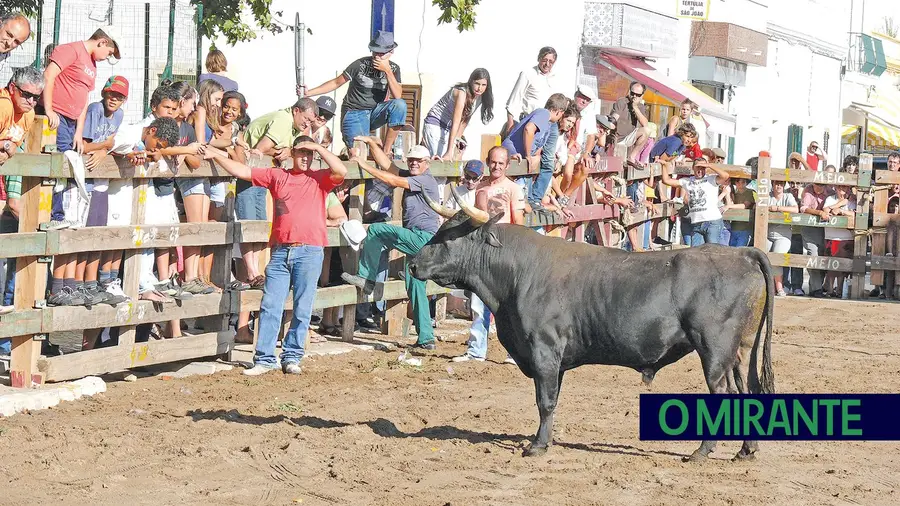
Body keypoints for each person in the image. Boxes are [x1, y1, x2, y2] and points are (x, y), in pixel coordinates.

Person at [201, 137, 347, 375]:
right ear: (292, 153)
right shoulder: (278, 176)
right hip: (281, 250)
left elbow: (341, 170)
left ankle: (291, 355)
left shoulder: (319, 178)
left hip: (309, 250)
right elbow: (245, 171)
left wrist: (319, 148)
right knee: (270, 304)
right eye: (302, 152)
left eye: (309, 154)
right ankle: (265, 359)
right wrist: (217, 156)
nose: (306, 157)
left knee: (302, 307)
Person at [44, 26, 121, 305]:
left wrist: (79, 131)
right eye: (107, 52)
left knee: (69, 165)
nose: (105, 57)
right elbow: (50, 76)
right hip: (56, 116)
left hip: (71, 122)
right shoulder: (70, 50)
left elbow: (83, 101)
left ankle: (63, 210)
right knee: (57, 167)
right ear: (101, 42)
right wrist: (49, 108)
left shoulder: (91, 65)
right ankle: (55, 211)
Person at [341, 138, 440, 351]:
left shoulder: (426, 180)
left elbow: (393, 181)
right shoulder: (413, 175)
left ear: (427, 163)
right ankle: (426, 338)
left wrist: (363, 164)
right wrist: (371, 143)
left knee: (377, 230)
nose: (413, 163)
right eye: (411, 160)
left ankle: (366, 278)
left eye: (418, 161)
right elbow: (389, 166)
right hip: (420, 239)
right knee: (415, 285)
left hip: (423, 238)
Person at [450, 147, 524, 364]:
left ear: (507, 165)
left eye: (501, 163)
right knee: (479, 303)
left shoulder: (513, 188)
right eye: (493, 162)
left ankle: (515, 353)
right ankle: (476, 350)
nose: (497, 167)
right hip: (483, 253)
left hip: (504, 251)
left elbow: (518, 222)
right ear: (488, 162)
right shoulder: (480, 188)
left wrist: (514, 251)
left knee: (510, 306)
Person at [239, 97, 319, 293]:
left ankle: (254, 271)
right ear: (296, 111)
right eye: (306, 119)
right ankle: (251, 271)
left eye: (310, 122)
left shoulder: (293, 129)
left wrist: (287, 151)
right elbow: (261, 148)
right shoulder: (283, 121)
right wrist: (281, 151)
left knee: (259, 224)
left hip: (261, 177)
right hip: (251, 173)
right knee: (250, 223)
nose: (306, 125)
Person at [302, 30, 406, 157]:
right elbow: (336, 82)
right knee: (358, 152)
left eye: (381, 54)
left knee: (400, 105)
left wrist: (388, 71)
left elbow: (398, 96)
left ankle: (387, 150)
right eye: (374, 52)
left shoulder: (394, 69)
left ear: (391, 53)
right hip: (354, 112)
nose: (377, 57)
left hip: (375, 112)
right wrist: (309, 93)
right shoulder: (359, 64)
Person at [75, 75, 129, 307]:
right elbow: (84, 146)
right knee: (82, 236)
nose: (114, 99)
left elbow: (111, 145)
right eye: (112, 93)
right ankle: (78, 285)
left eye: (119, 96)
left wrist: (105, 150)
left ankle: (91, 284)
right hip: (84, 182)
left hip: (101, 183)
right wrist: (105, 146)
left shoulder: (119, 115)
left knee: (98, 234)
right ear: (104, 93)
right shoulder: (96, 109)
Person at [0, 66, 43, 350]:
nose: (31, 101)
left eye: (37, 97)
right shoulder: (3, 106)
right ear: (13, 88)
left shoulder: (27, 115)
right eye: (27, 95)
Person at [501, 93, 569, 211]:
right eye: (562, 114)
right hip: (511, 152)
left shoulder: (548, 124)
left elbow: (538, 143)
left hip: (521, 160)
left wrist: (535, 156)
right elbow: (529, 129)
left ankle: (533, 201)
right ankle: (532, 202)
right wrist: (528, 155)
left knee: (525, 196)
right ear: (558, 111)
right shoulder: (543, 114)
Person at [423, 68, 494, 161]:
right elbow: (456, 122)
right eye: (477, 83)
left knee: (453, 158)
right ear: (471, 81)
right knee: (439, 158)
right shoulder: (462, 93)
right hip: (435, 123)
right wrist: (449, 152)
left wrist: (457, 140)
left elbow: (465, 120)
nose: (479, 88)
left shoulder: (479, 97)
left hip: (448, 128)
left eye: (483, 85)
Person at [660, 158, 730, 246]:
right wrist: (664, 166)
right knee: (695, 252)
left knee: (712, 251)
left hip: (712, 222)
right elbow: (666, 180)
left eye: (703, 168)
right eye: (698, 168)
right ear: (693, 168)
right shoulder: (687, 181)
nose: (700, 171)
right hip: (696, 223)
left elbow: (725, 176)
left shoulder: (711, 179)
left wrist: (710, 165)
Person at [504, 47, 558, 136]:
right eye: (544, 60)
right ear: (539, 58)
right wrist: (510, 124)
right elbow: (514, 100)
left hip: (545, 124)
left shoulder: (554, 78)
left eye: (551, 61)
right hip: (528, 121)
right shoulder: (528, 74)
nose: (547, 64)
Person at [822, 185, 856, 298]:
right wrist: (838, 205)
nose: (843, 190)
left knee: (843, 266)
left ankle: (839, 290)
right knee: (832, 264)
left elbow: (855, 214)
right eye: (840, 188)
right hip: (832, 236)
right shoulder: (830, 199)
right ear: (836, 188)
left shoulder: (852, 200)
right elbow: (825, 210)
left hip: (847, 237)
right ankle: (831, 289)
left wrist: (841, 211)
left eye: (845, 188)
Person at [767, 181, 800, 296]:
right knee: (762, 257)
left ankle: (779, 288)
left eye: (781, 183)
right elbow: (758, 206)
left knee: (777, 258)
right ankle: (767, 287)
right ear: (772, 184)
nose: (779, 186)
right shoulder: (767, 195)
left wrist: (777, 208)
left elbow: (796, 209)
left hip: (783, 235)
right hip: (767, 234)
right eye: (776, 183)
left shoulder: (788, 196)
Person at [799, 181, 831, 297]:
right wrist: (819, 212)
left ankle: (815, 287)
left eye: (821, 185)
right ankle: (817, 288)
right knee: (813, 255)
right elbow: (803, 208)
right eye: (816, 184)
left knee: (823, 256)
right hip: (810, 227)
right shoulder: (808, 190)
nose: (818, 187)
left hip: (826, 230)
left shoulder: (830, 191)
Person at [609, 81, 649, 166]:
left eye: (637, 95)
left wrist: (635, 107)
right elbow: (614, 117)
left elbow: (645, 124)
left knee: (647, 131)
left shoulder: (641, 107)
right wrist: (611, 123)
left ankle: (632, 157)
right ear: (629, 91)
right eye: (632, 93)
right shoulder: (622, 101)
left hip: (628, 137)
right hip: (617, 138)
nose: (634, 96)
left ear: (642, 96)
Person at [723, 177, 756, 247]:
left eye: (743, 181)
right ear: (735, 182)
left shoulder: (750, 192)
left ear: (746, 182)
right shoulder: (734, 194)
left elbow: (745, 205)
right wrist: (727, 194)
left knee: (740, 253)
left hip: (746, 229)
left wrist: (729, 206)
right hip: (733, 228)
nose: (740, 183)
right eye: (737, 181)